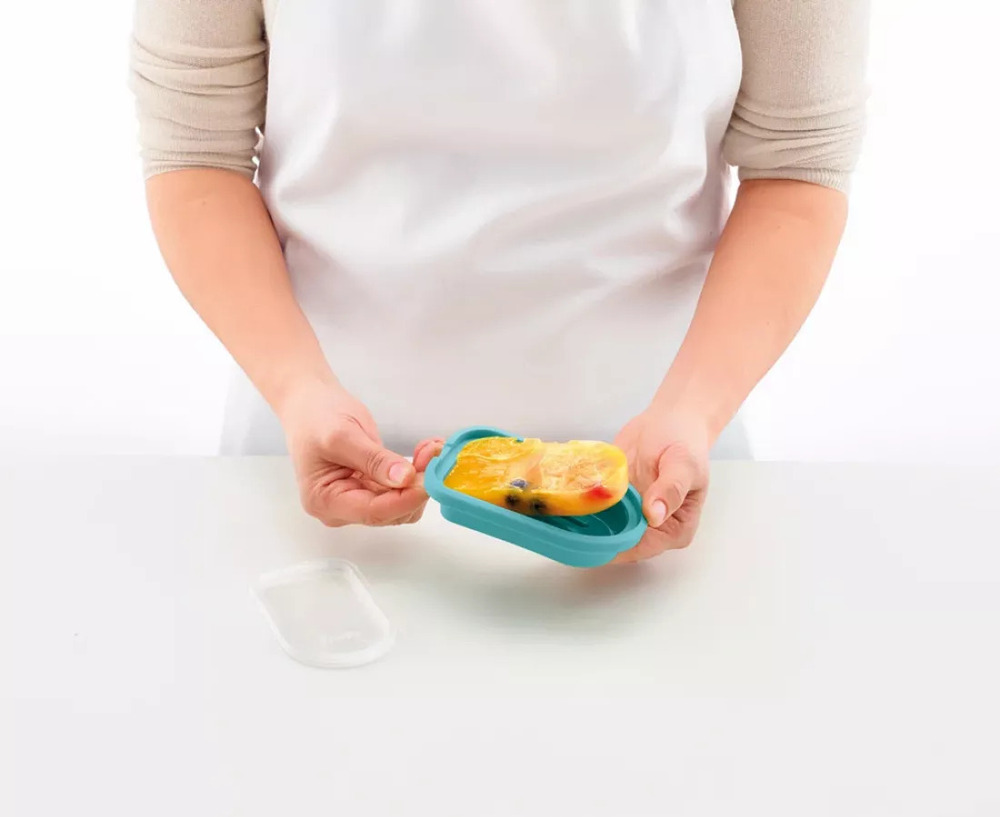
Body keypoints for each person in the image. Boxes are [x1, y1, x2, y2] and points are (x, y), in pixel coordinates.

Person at [131, 0, 868, 562]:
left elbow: (796, 163)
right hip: (320, 483)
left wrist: (693, 414)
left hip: (651, 490)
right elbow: (198, 147)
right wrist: (297, 389)